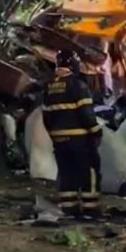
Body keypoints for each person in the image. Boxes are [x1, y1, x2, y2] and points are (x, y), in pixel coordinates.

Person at [43, 50, 102, 219]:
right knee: (88, 172)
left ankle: (70, 210)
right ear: (72, 65)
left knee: (67, 174)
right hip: (80, 140)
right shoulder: (78, 85)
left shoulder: (48, 87)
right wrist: (96, 132)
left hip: (59, 141)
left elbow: (46, 116)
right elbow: (86, 114)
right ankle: (91, 211)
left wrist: (55, 134)